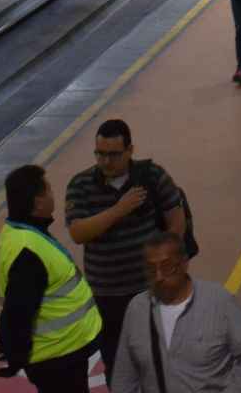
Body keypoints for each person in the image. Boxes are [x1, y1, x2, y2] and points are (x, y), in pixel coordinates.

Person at [65, 120, 186, 376]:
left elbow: (176, 221)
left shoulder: (153, 176)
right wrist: (120, 209)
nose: (106, 161)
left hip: (149, 289)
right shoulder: (81, 185)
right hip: (107, 296)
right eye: (100, 154)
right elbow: (78, 232)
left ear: (130, 150)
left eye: (114, 154)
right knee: (117, 363)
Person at [108, 231, 241, 393]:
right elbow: (124, 376)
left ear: (184, 263)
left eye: (167, 267)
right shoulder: (137, 309)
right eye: (151, 269)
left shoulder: (220, 301)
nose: (159, 276)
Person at [0, 165, 104, 392]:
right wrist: (15, 354)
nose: (53, 195)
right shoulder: (28, 251)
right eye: (49, 190)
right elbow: (18, 310)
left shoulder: (20, 234)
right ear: (37, 202)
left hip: (62, 352)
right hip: (57, 357)